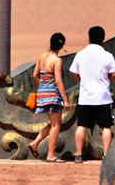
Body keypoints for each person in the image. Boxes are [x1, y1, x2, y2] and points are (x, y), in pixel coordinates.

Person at [69, 26, 115, 163]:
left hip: (85, 97)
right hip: (103, 97)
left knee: (82, 126)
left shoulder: (80, 54)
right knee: (106, 126)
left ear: (89, 37)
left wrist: (80, 80)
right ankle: (106, 155)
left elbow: (73, 72)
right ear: (103, 39)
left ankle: (78, 154)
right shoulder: (107, 55)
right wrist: (109, 79)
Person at [28, 32, 70, 162]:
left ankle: (35, 143)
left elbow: (35, 75)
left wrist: (43, 86)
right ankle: (51, 154)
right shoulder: (57, 60)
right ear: (62, 45)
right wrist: (65, 100)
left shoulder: (42, 56)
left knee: (53, 124)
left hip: (42, 94)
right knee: (56, 125)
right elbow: (58, 81)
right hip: (53, 95)